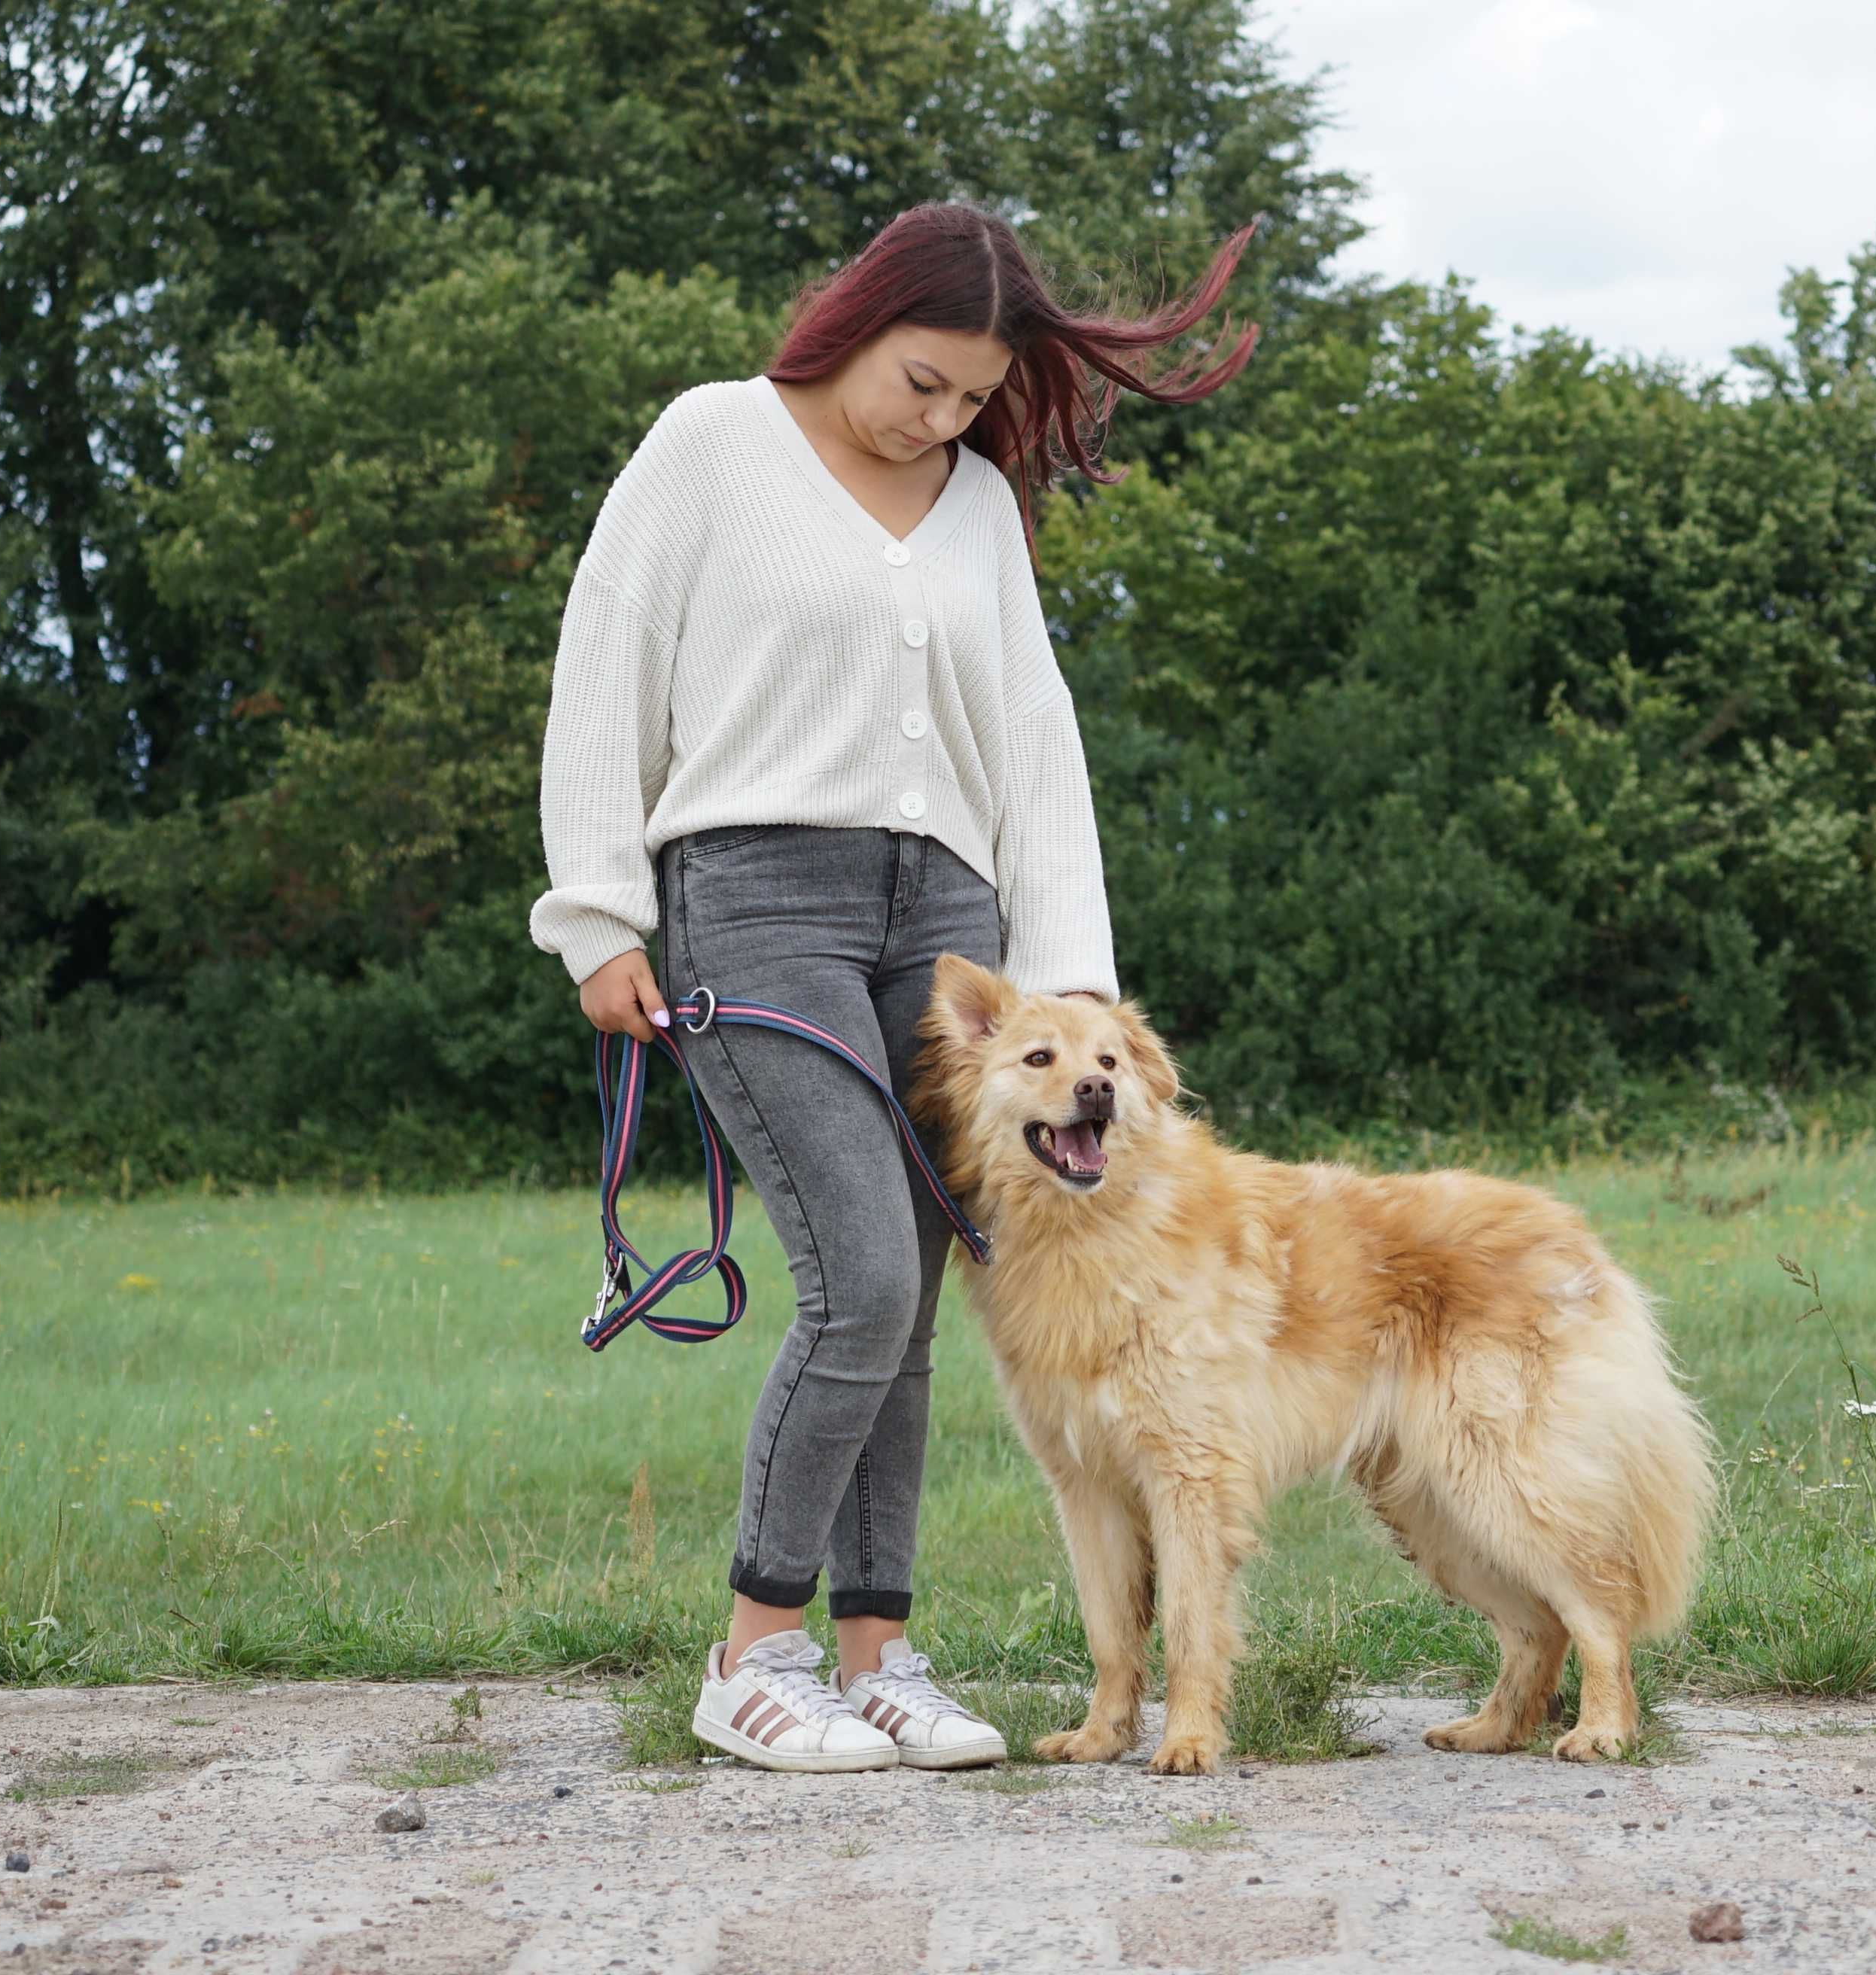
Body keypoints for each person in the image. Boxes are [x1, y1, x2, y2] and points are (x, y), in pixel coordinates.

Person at [529, 201, 1261, 1771]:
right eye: (923, 382)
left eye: (972, 398)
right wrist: (597, 916)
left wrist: (1067, 989)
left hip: (945, 914)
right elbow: (607, 658)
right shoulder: (712, 443)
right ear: (862, 317)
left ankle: (879, 1658)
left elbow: (1034, 740)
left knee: (916, 1291)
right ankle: (750, 1658)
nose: (942, 419)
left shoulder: (979, 503)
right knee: (861, 1274)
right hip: (756, 895)